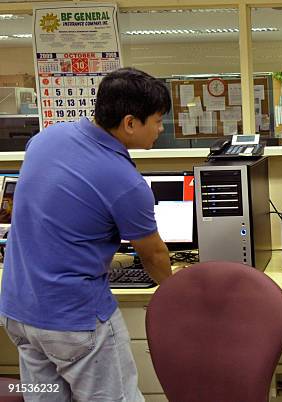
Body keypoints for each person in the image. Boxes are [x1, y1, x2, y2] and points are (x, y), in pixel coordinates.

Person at [0, 67, 173, 402]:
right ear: (129, 123)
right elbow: (154, 256)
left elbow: (56, 217)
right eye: (157, 119)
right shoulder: (126, 182)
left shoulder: (46, 138)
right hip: (73, 323)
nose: (161, 128)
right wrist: (180, 296)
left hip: (19, 314)